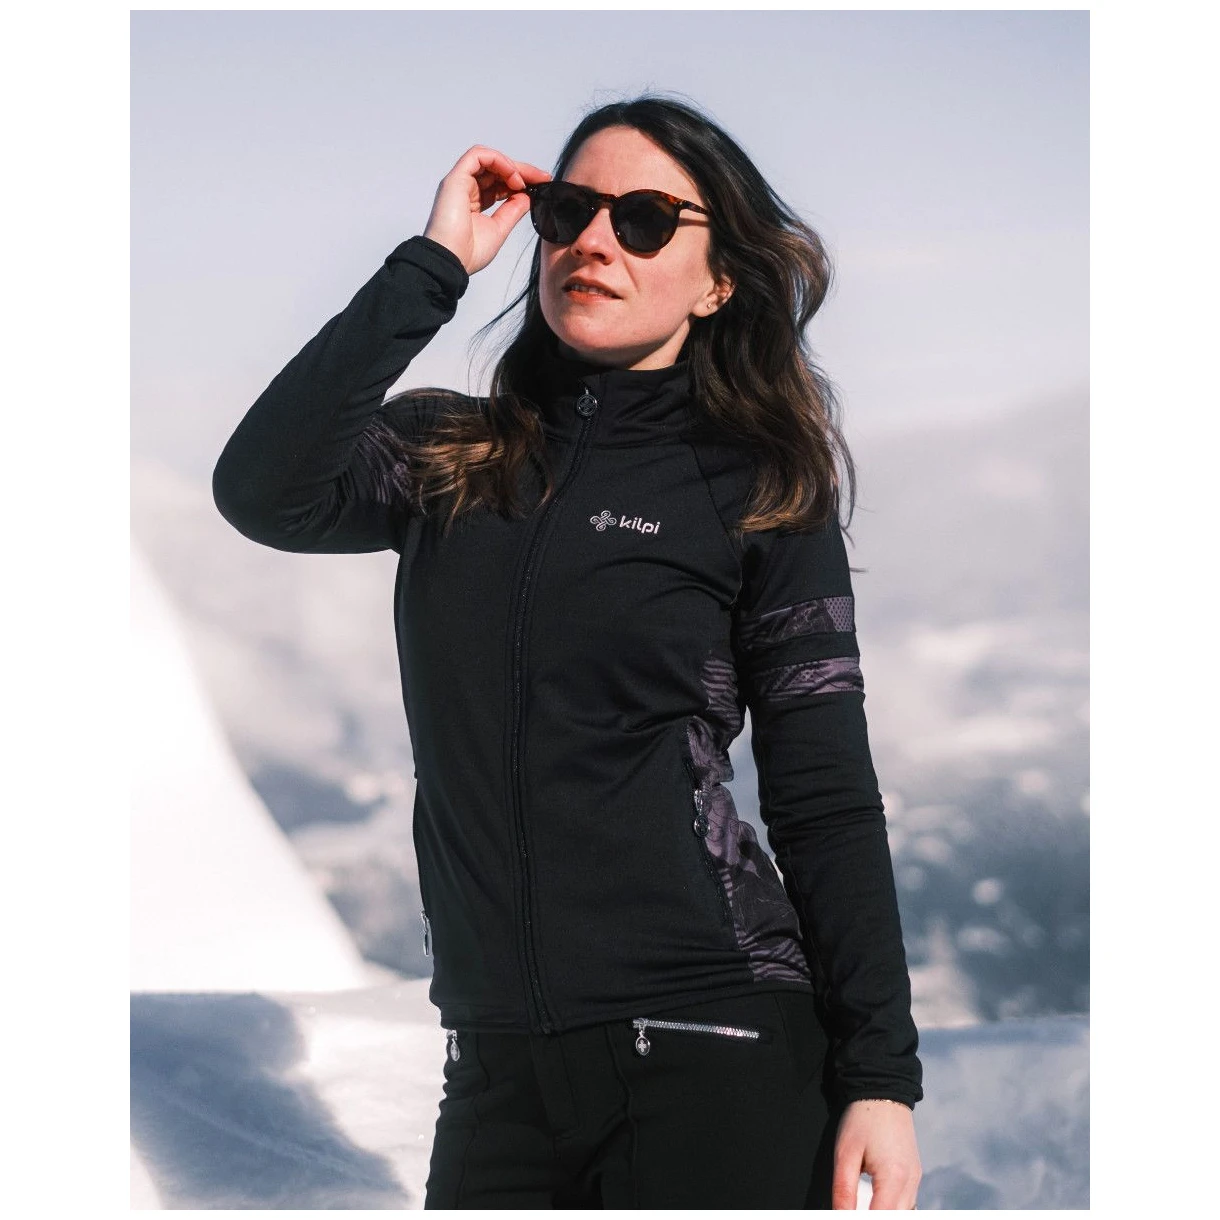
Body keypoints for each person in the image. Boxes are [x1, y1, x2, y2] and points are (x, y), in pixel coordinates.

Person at [213, 94, 923, 1209]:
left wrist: (880, 1074)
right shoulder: (452, 456)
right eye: (569, 211)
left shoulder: (758, 490)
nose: (593, 240)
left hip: (714, 1046)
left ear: (718, 280)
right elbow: (263, 489)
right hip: (498, 1068)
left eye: (644, 220)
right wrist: (434, 263)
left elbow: (823, 793)